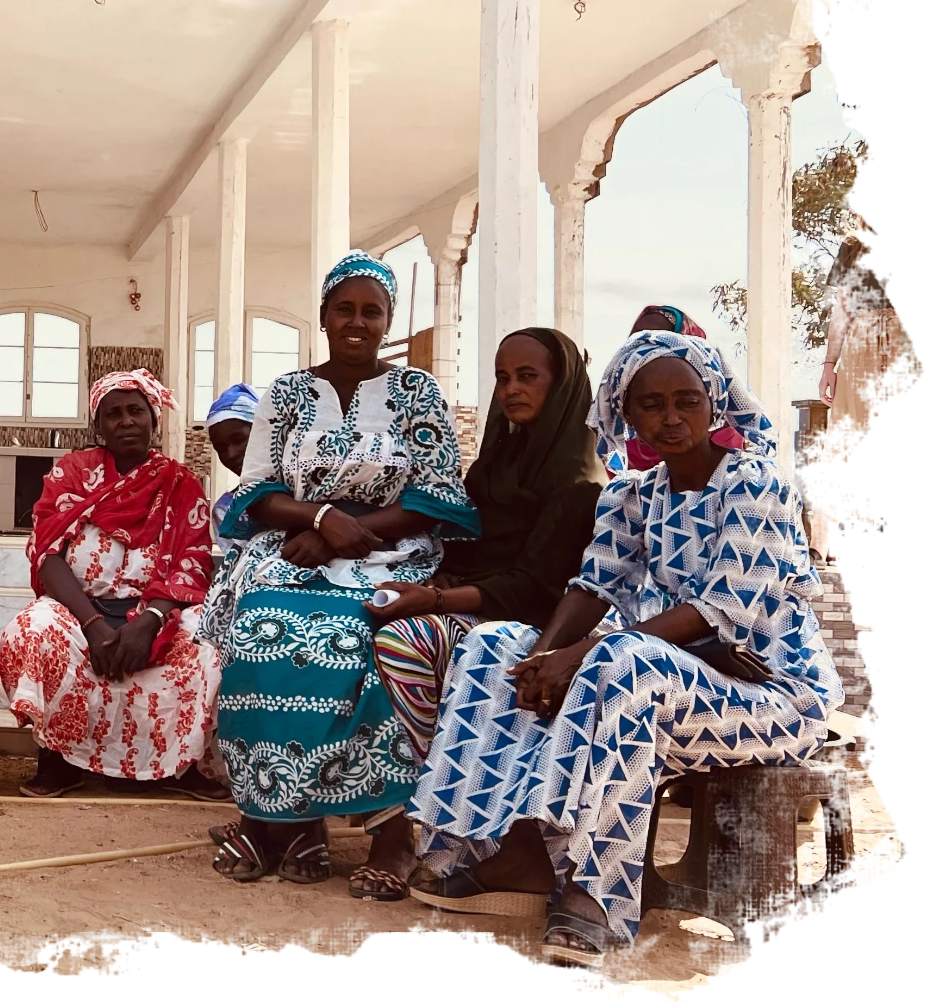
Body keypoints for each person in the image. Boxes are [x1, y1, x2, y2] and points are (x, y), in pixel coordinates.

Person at [407, 330, 843, 970]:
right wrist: (544, 658)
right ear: (626, 412)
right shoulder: (632, 495)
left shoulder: (755, 486)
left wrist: (578, 654)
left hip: (770, 692)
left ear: (714, 402)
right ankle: (508, 844)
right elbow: (593, 586)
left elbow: (718, 613)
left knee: (622, 660)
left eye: (687, 401)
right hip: (671, 676)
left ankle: (595, 893)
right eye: (652, 404)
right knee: (497, 645)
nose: (671, 418)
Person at [198, 251, 479, 891]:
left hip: (392, 552)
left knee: (363, 634)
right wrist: (321, 520)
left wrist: (347, 535)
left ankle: (391, 832)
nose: (358, 322)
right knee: (262, 627)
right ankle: (278, 819)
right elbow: (257, 490)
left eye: (371, 312)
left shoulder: (418, 393)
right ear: (324, 317)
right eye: (344, 310)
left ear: (388, 322)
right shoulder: (289, 393)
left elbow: (435, 497)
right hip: (293, 544)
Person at [358, 328, 605, 899]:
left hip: (534, 624)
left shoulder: (577, 482)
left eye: (528, 376)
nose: (511, 389)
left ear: (562, 385)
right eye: (501, 377)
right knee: (356, 625)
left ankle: (424, 825)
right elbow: (468, 549)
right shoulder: (495, 466)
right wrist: (439, 581)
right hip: (472, 603)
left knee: (404, 645)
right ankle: (392, 814)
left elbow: (535, 586)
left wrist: (436, 600)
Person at [0, 370, 227, 800]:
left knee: (210, 643)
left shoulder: (181, 484)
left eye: (136, 411)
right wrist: (91, 624)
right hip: (81, 611)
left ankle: (182, 765)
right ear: (98, 426)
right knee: (34, 629)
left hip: (159, 613)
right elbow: (47, 556)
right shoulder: (71, 475)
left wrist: (151, 621)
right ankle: (58, 760)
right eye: (113, 414)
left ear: (153, 420)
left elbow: (191, 563)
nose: (126, 421)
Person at [812, 219, 924, 544]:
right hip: (862, 336)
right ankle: (833, 539)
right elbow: (842, 309)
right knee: (853, 433)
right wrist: (829, 364)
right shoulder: (853, 246)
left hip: (914, 333)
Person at [603, 306, 743, 474]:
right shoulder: (613, 443)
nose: (650, 354)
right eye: (640, 344)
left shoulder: (724, 436)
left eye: (661, 344)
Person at [204, 383, 259, 560]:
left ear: (262, 432)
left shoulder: (303, 488)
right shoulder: (226, 510)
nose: (231, 453)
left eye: (239, 439)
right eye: (221, 448)